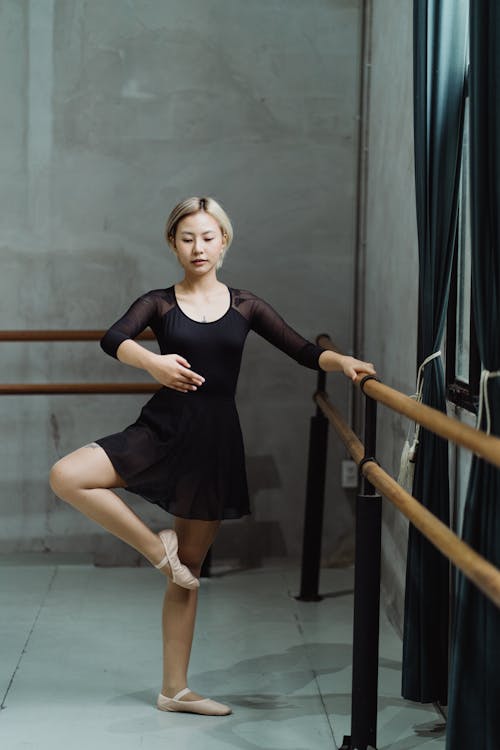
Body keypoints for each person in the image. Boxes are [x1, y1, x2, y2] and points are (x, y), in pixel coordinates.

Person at [49, 196, 376, 716]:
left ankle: (174, 689)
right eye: (186, 238)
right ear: (172, 244)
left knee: (191, 569)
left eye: (207, 236)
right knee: (68, 475)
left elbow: (302, 350)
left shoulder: (246, 305)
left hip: (214, 442)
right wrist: (153, 363)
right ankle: (159, 550)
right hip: (161, 428)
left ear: (224, 241)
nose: (197, 247)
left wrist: (343, 362)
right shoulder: (159, 302)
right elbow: (113, 339)